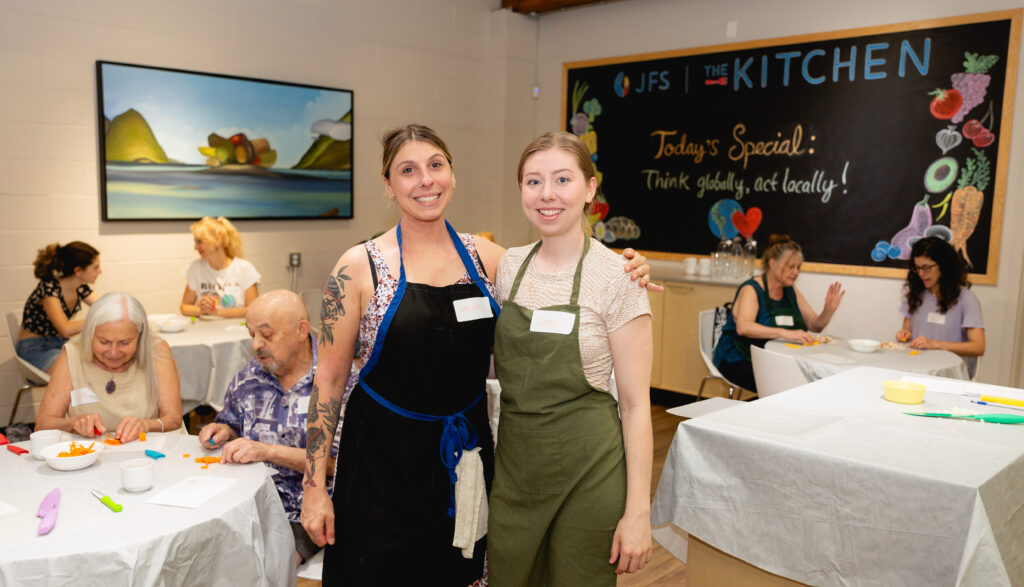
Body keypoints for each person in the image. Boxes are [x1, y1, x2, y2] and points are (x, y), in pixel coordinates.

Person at [300, 124, 653, 586]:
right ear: (388, 185)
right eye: (408, 170)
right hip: (380, 468)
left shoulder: (487, 258)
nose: (425, 180)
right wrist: (313, 489)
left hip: (466, 462)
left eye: (436, 165)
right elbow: (326, 383)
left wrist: (628, 267)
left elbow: (559, 271)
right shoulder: (358, 266)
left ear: (452, 175)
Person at [487, 131, 654, 584]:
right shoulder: (508, 266)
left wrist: (639, 513)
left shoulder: (619, 277)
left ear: (590, 189)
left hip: (590, 473)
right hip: (517, 471)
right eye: (533, 181)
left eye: (562, 179)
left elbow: (638, 406)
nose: (547, 194)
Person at [198, 290, 346, 566]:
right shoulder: (249, 376)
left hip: (305, 511)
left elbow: (335, 464)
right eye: (251, 334)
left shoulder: (337, 381)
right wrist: (223, 430)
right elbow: (230, 420)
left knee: (265, 566)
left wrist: (266, 451)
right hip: (246, 502)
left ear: (301, 330)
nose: (256, 345)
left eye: (266, 335)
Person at [35, 292, 182, 441]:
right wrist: (72, 423)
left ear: (140, 337)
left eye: (124, 343)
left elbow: (173, 418)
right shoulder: (72, 355)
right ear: (90, 334)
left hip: (148, 454)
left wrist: (146, 425)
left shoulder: (156, 351)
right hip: (89, 456)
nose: (113, 353)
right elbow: (42, 424)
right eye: (103, 342)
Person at [712, 234, 845, 392]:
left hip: (769, 357)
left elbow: (815, 325)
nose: (796, 272)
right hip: (738, 358)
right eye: (790, 266)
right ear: (772, 263)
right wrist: (786, 333)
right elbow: (744, 327)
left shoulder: (790, 289)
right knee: (789, 383)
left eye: (799, 267)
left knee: (809, 379)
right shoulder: (751, 289)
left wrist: (828, 311)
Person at [896, 236, 984, 378]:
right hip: (917, 370)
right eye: (917, 268)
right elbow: (907, 331)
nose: (921, 274)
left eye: (927, 268)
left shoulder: (967, 299)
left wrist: (936, 344)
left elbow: (978, 347)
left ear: (944, 265)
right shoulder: (915, 295)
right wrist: (904, 335)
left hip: (950, 376)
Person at [17, 241, 101, 372]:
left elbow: (105, 306)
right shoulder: (49, 288)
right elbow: (65, 329)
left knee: (100, 361)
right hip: (35, 349)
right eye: (95, 267)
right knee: (77, 370)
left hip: (59, 346)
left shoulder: (80, 288)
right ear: (78, 270)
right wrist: (98, 319)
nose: (100, 271)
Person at [180, 216, 260, 318]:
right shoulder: (196, 268)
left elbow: (252, 310)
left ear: (217, 239)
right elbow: (184, 307)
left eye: (200, 241)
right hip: (205, 330)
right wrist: (203, 310)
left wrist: (216, 312)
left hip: (237, 330)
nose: (195, 247)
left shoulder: (244, 269)